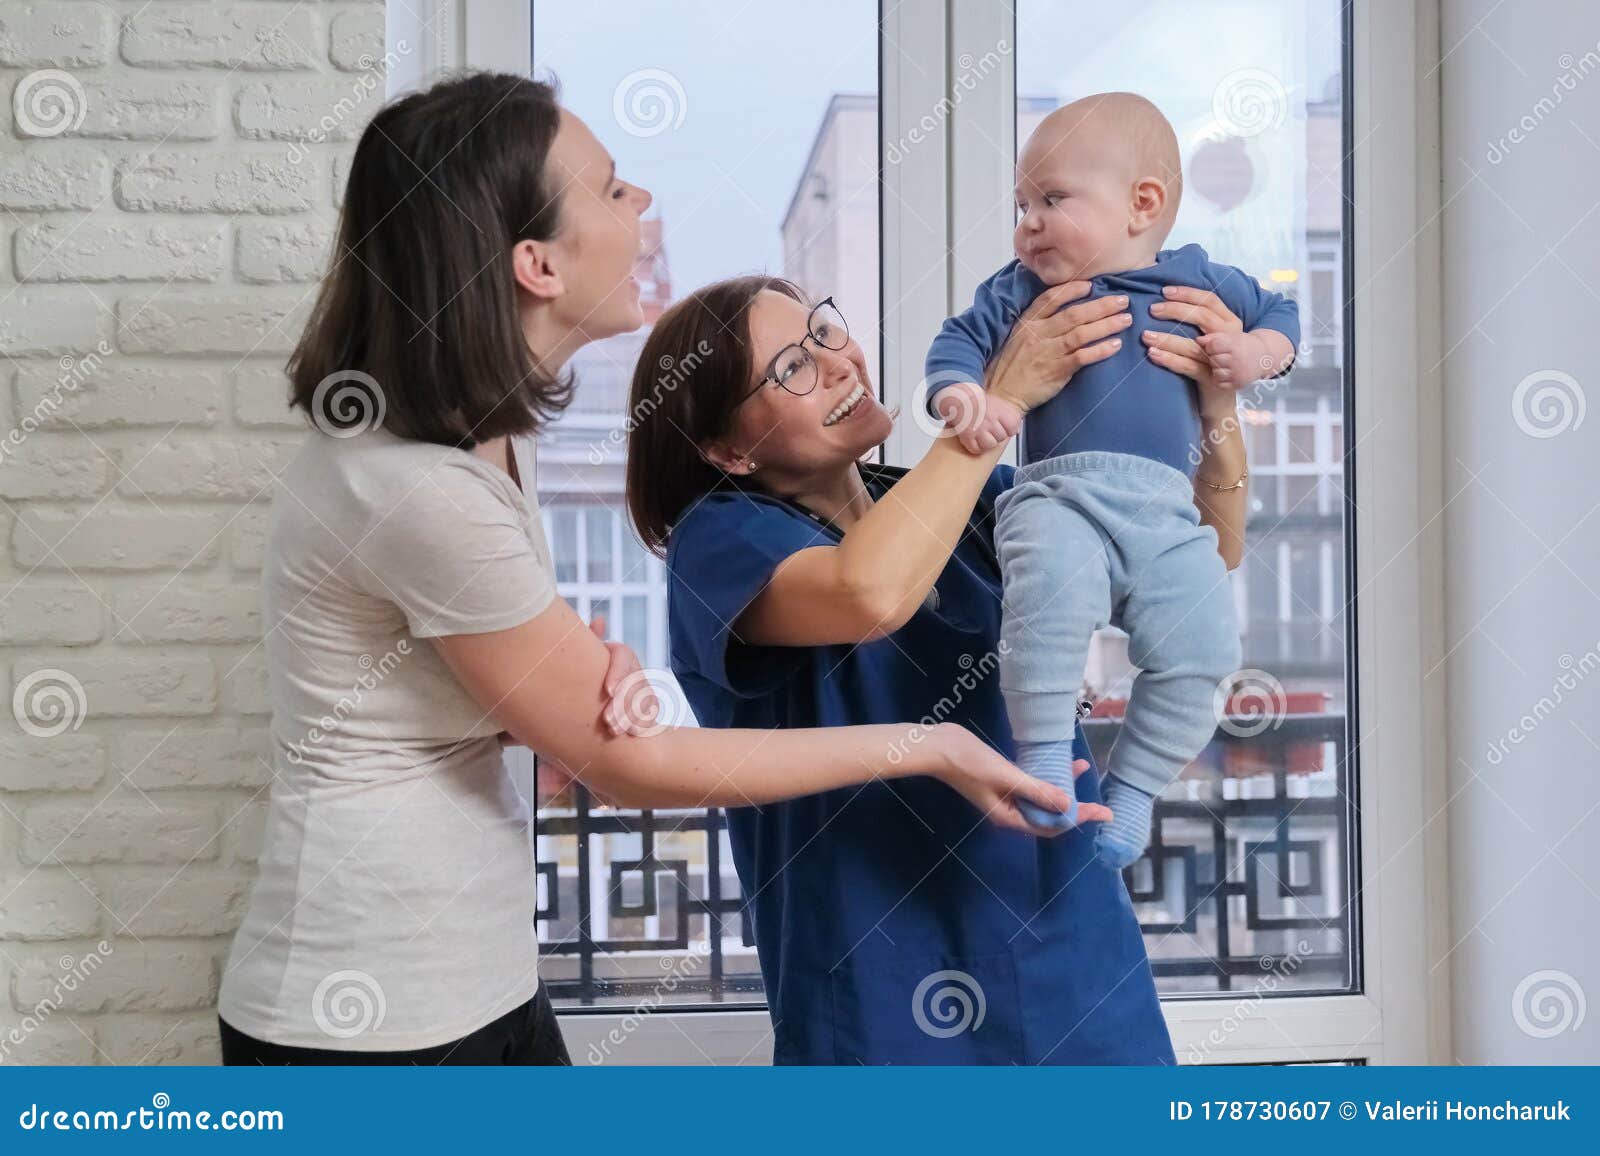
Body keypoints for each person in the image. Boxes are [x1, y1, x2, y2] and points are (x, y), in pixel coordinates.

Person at [215, 71, 1073, 1067]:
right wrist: (931, 748)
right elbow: (625, 763)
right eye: (612, 190)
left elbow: (460, 684)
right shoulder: (415, 486)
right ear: (536, 262)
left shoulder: (481, 443)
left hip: (477, 983)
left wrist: (570, 678)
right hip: (367, 1017)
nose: (643, 207)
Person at [628, 269, 1253, 1063]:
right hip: (881, 985)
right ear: (727, 450)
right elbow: (870, 592)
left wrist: (1216, 406)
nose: (837, 360)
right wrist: (997, 404)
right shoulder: (719, 539)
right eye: (791, 367)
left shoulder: (977, 501)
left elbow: (1207, 549)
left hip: (1070, 948)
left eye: (824, 329)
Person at [924, 92, 1298, 866]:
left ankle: (1133, 794)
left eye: (1052, 199)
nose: (1027, 221)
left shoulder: (1199, 280)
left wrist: (1253, 357)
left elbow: (1283, 317)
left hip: (1167, 512)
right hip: (1060, 496)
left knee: (1204, 649)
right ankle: (1046, 758)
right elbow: (959, 338)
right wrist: (964, 393)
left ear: (1143, 204)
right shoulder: (1022, 289)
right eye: (1021, 202)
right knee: (1047, 608)